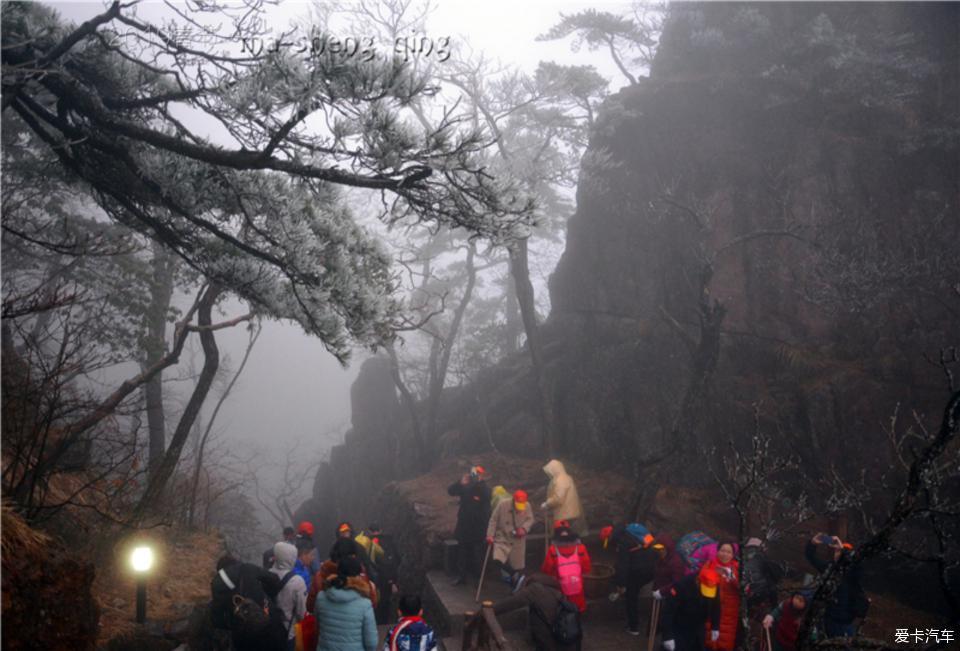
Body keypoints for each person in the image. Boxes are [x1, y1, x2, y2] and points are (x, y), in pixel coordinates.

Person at [210, 554, 284, 651]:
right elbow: (274, 580)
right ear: (235, 562)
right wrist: (266, 597)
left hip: (243, 638)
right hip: (269, 625)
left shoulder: (216, 584)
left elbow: (217, 621)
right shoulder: (247, 568)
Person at [493, 573, 582, 651]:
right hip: (567, 639)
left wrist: (488, 609)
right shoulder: (555, 590)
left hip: (552, 641)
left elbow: (511, 603)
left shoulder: (534, 589)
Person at [600, 523, 659, 635]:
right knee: (635, 585)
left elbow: (623, 566)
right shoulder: (630, 532)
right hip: (653, 565)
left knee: (631, 596)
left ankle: (633, 627)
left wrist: (621, 585)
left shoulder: (623, 542)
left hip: (641, 569)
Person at [805, 533, 867, 638]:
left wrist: (843, 549)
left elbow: (857, 567)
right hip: (826, 617)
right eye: (837, 551)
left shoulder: (852, 572)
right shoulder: (829, 568)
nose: (838, 554)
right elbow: (811, 557)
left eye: (841, 552)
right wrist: (812, 543)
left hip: (843, 622)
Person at [314, 556, 379, 651]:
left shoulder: (321, 597)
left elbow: (318, 626)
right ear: (358, 576)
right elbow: (371, 643)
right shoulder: (365, 604)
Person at [448, 465, 492, 586]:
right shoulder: (465, 486)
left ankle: (479, 580)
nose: (476, 476)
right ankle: (462, 577)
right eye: (474, 474)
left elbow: (487, 496)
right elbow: (451, 491)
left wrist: (479, 482)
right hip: (464, 526)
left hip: (478, 528)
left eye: (478, 474)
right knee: (462, 553)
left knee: (477, 554)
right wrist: (460, 483)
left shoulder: (484, 487)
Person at [308, 538, 379, 613]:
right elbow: (372, 605)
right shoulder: (361, 577)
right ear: (352, 556)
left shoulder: (320, 576)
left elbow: (310, 606)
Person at [660, 568, 722, 651]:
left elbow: (716, 606)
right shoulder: (681, 585)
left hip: (699, 626)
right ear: (698, 581)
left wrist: (715, 626)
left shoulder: (713, 584)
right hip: (679, 627)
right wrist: (667, 636)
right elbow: (668, 611)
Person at [486, 489, 535, 590]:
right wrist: (490, 535)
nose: (520, 508)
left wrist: (524, 528)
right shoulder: (503, 504)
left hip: (518, 539)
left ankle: (515, 587)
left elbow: (530, 519)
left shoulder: (527, 505)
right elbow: (493, 519)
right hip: (502, 537)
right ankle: (513, 574)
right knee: (497, 559)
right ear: (513, 500)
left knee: (517, 565)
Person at [541, 525, 591, 613]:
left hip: (560, 584)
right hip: (577, 581)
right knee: (578, 603)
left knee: (563, 605)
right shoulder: (580, 548)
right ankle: (578, 616)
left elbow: (547, 569)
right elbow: (586, 566)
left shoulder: (553, 549)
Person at [358, 523, 401, 625]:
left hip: (371, 578)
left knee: (371, 600)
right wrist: (393, 580)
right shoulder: (389, 541)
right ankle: (384, 623)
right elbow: (397, 560)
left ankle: (373, 622)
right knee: (385, 601)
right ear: (381, 530)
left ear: (369, 531)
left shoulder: (365, 543)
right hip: (387, 578)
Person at [269, 542, 308, 651]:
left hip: (269, 630)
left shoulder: (266, 575)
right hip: (288, 634)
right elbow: (302, 613)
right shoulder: (297, 581)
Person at [701, 541, 739, 651]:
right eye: (722, 550)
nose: (725, 554)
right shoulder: (709, 564)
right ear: (717, 551)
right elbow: (701, 580)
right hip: (709, 611)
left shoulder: (737, 568)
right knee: (707, 643)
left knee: (724, 645)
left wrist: (732, 577)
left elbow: (744, 589)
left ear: (733, 555)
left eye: (729, 552)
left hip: (728, 616)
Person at [540, 460, 586, 538]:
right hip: (570, 513)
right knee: (570, 538)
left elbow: (558, 499)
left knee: (562, 539)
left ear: (554, 469)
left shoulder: (560, 480)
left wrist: (547, 503)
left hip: (564, 515)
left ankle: (561, 549)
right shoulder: (567, 477)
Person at [742, 538, 784, 616]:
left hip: (757, 594)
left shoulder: (759, 560)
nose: (751, 551)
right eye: (750, 549)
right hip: (756, 594)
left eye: (753, 549)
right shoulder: (760, 560)